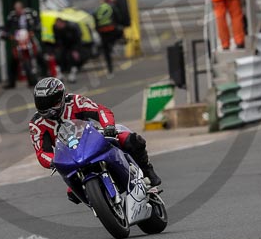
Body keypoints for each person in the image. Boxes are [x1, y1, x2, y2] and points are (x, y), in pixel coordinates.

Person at [29, 77, 162, 200]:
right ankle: (99, 203)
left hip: (92, 140)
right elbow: (41, 151)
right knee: (72, 193)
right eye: (42, 103)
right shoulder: (36, 123)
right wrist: (53, 160)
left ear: (62, 98)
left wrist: (108, 126)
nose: (48, 108)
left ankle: (147, 172)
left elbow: (101, 111)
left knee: (131, 140)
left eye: (52, 102)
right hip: (70, 157)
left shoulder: (75, 101)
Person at [2, 1, 45, 89]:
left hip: (29, 38)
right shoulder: (12, 16)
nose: (17, 11)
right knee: (14, 59)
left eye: (19, 9)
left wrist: (33, 31)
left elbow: (38, 23)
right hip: (18, 40)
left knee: (38, 54)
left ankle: (46, 76)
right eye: (16, 9)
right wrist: (7, 35)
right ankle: (11, 82)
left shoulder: (31, 13)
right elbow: (6, 28)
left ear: (22, 8)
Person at [94, 0, 120, 76]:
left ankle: (109, 67)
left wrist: (98, 30)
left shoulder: (97, 9)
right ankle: (111, 48)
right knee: (111, 44)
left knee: (106, 51)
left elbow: (95, 20)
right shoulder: (111, 8)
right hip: (111, 29)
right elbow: (117, 17)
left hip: (102, 31)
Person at [52, 17, 81, 84]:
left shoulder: (71, 28)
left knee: (72, 58)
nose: (57, 26)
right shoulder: (55, 28)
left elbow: (77, 39)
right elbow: (57, 38)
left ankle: (72, 74)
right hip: (63, 45)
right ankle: (60, 74)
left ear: (63, 23)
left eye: (59, 24)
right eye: (56, 25)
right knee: (59, 57)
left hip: (73, 44)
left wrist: (75, 50)